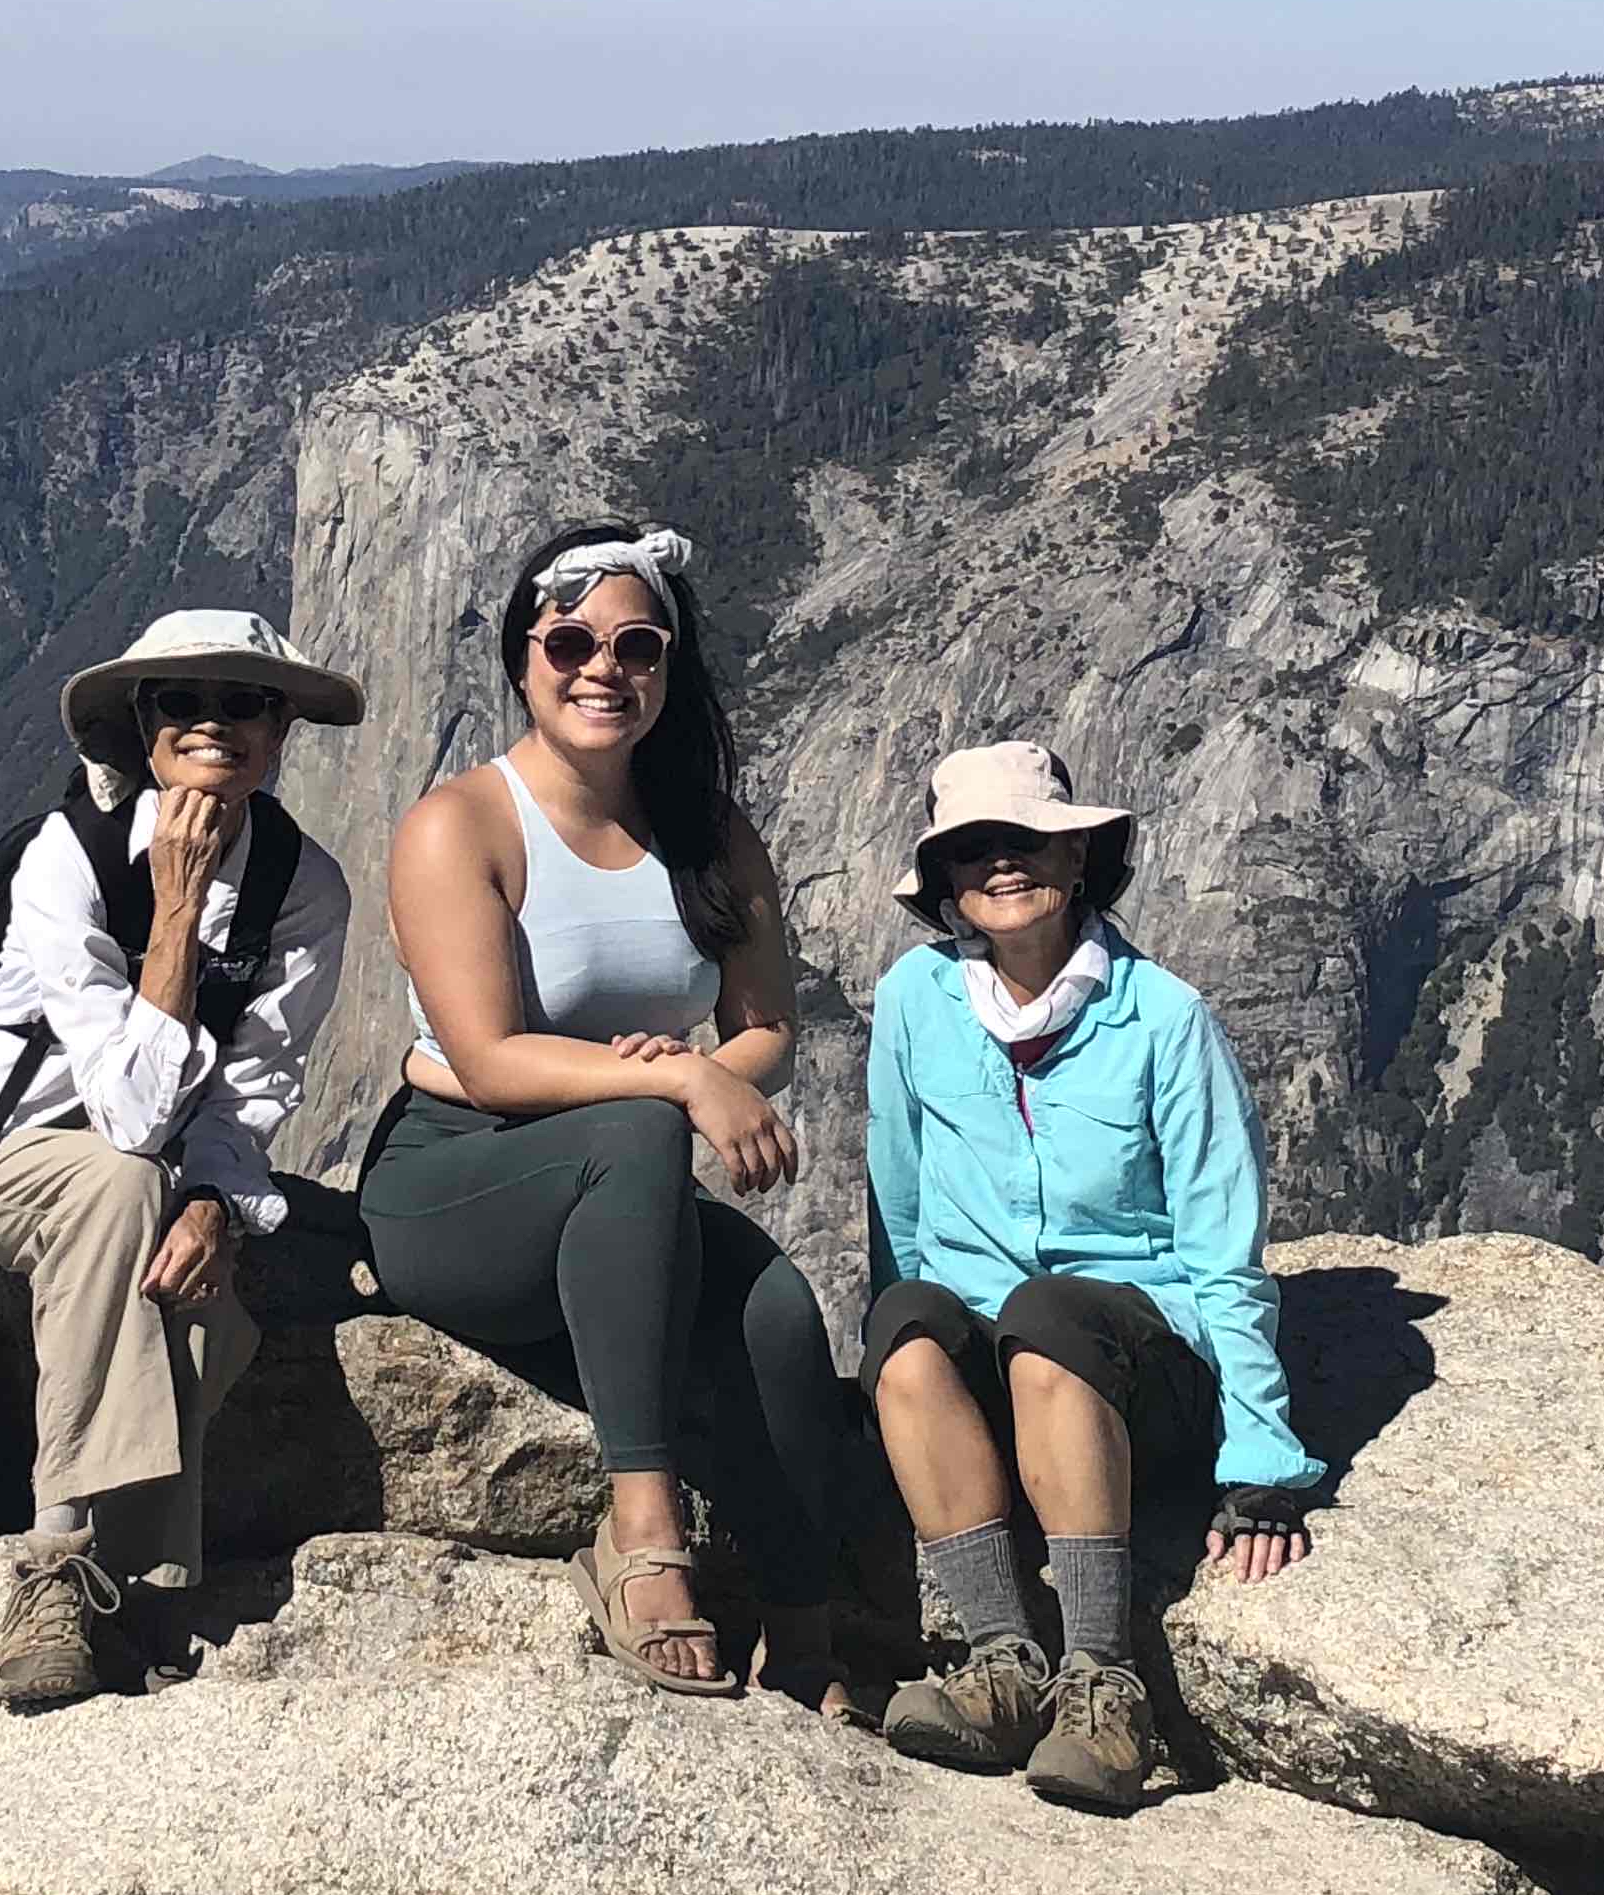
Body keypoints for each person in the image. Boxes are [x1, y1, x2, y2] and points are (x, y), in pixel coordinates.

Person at [360, 522, 868, 1718]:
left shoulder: (711, 835)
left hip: (612, 1184)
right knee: (640, 1133)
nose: (604, 668)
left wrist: (708, 1064)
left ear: (670, 667)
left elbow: (768, 1030)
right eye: (571, 641)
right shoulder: (461, 826)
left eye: (638, 645)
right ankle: (642, 1526)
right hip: (454, 1186)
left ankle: (805, 1628)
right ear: (523, 658)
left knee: (781, 1318)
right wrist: (680, 1082)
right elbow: (485, 1062)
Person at [0, 608, 360, 1708]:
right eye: (182, 703)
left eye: (246, 703)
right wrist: (179, 908)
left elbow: (256, 1082)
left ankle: (122, 1593)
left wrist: (217, 1205)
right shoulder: (68, 859)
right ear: (141, 729)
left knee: (191, 1270)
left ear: (281, 729)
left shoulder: (305, 886)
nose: (215, 725)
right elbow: (131, 1110)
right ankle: (67, 1562)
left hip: (158, 1155)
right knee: (120, 1184)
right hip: (4, 1138)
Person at [859, 740, 1325, 1814]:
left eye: (1028, 842)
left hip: (1132, 1375)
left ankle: (1104, 1684)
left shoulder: (1164, 1020)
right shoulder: (917, 1001)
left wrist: (1261, 1467)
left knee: (1046, 1313)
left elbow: (1224, 1252)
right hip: (1000, 1376)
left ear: (1079, 864)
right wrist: (899, 1382)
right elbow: (900, 1206)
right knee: (912, 1318)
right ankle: (1001, 1666)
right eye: (973, 850)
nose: (1001, 866)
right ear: (946, 884)